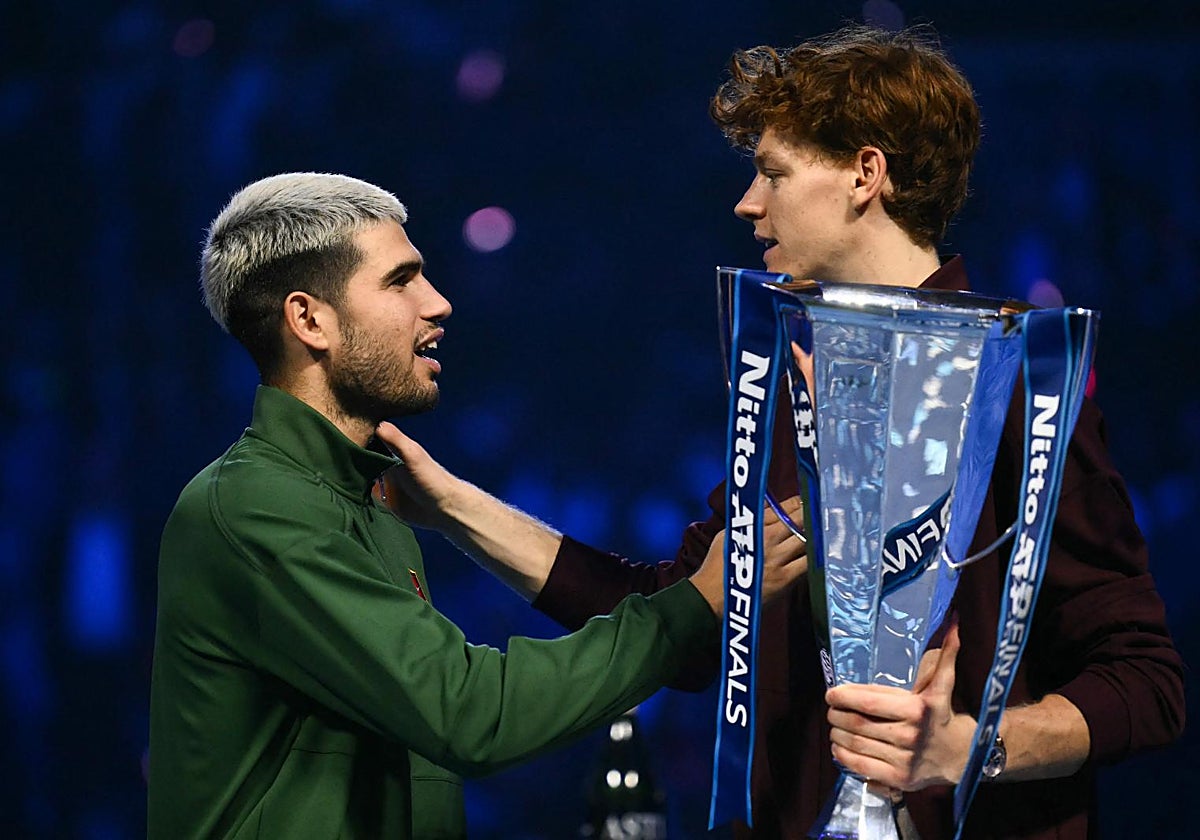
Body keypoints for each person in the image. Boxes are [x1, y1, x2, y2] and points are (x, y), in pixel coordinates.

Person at [385, 25, 1185, 840]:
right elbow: (685, 623)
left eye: (773, 173)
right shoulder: (775, 392)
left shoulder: (1021, 385)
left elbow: (1147, 684)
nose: (747, 202)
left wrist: (970, 747)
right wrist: (449, 505)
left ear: (865, 175)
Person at [146, 172, 807, 839]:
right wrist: (694, 603)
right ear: (308, 319)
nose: (438, 304)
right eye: (400, 281)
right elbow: (467, 713)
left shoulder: (374, 505)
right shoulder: (258, 503)